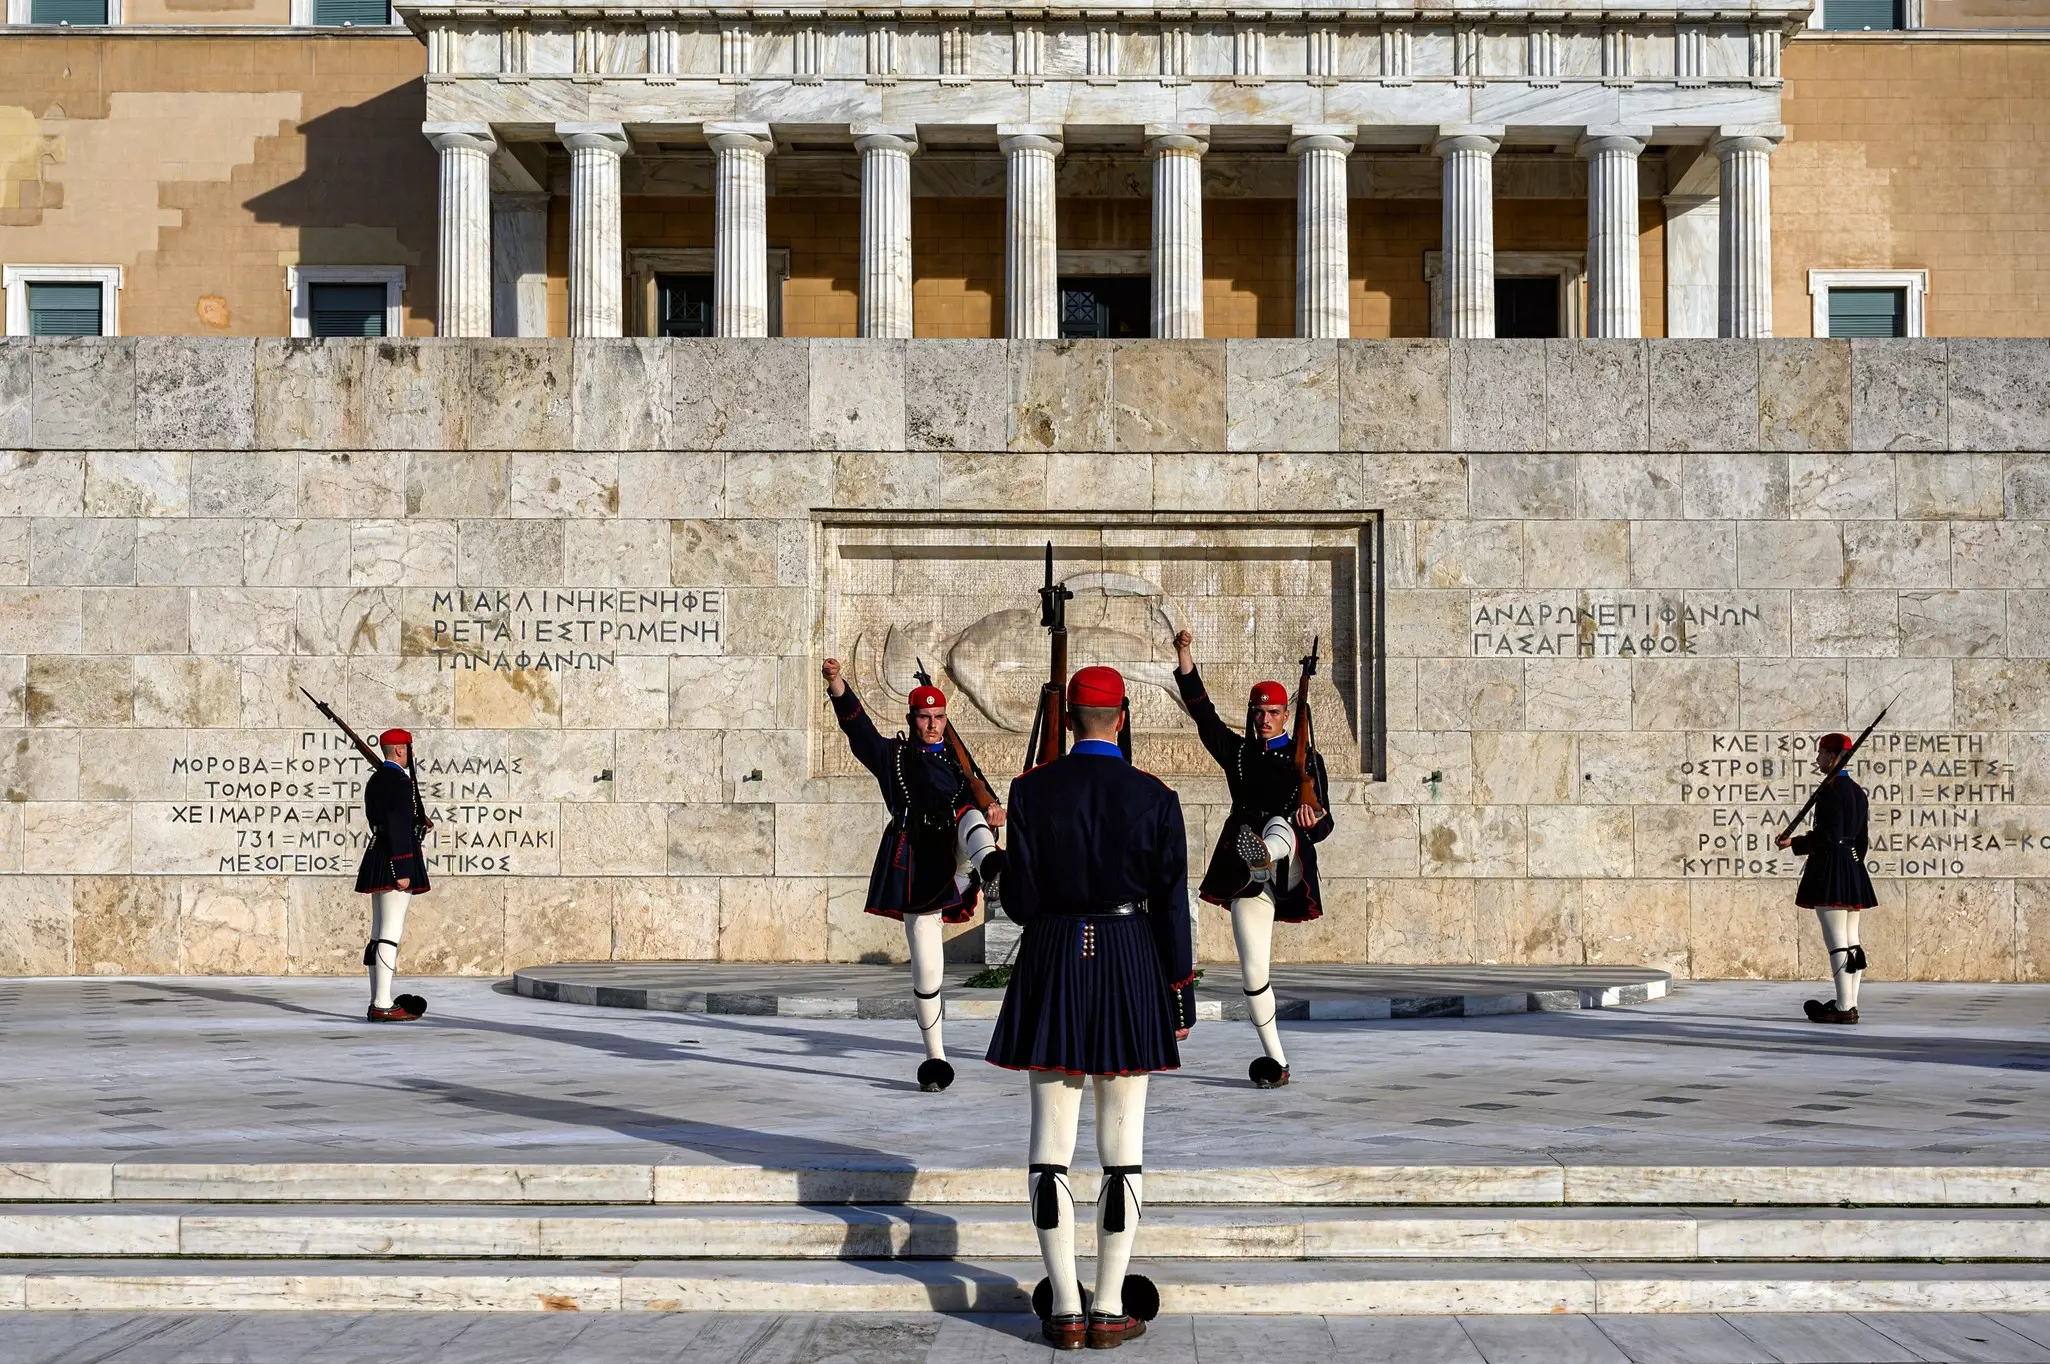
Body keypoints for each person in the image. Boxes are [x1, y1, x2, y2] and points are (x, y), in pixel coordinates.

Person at [986, 665, 1194, 1352]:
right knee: (1121, 1150)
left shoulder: (1029, 791)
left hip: (1053, 955)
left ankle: (1065, 1309)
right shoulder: (1155, 796)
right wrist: (1179, 990)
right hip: (1131, 955)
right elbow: (1171, 903)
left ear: (1069, 720)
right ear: (1123, 717)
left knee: (1049, 1144)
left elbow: (1018, 901)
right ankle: (1109, 1307)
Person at [823, 658, 1005, 1092]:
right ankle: (936, 1059)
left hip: (960, 856)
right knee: (927, 970)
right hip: (919, 867)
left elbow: (979, 799)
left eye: (939, 717)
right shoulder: (893, 757)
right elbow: (858, 731)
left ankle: (995, 867)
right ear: (912, 718)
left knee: (970, 818)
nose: (932, 724)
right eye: (924, 717)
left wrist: (994, 808)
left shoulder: (960, 762)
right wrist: (837, 686)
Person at [1171, 629, 1332, 1088]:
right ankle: (1275, 1061)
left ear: (1286, 715)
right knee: (1253, 971)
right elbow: (1203, 716)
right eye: (1258, 712)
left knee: (1280, 827)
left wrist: (1310, 815)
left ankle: (1269, 849)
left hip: (1288, 864)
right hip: (1248, 873)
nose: (1264, 719)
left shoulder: (1307, 762)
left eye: (1273, 713)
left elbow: (1324, 827)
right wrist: (1186, 657)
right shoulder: (1238, 754)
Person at [1776, 731, 1877, 1025]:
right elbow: (1861, 841)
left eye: (1820, 754)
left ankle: (1844, 1007)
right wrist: (1852, 863)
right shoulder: (1857, 791)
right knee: (1851, 941)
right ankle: (1850, 1002)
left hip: (1831, 869)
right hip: (1852, 868)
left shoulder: (1832, 791)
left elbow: (1828, 837)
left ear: (1832, 757)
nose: (1817, 758)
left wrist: (1794, 844)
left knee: (1838, 943)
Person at [355, 728, 430, 1023]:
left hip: (378, 854)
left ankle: (379, 1000)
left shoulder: (377, 779)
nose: (410, 755)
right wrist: (402, 869)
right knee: (390, 932)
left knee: (379, 933)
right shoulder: (399, 781)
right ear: (400, 750)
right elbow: (398, 825)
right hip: (394, 858)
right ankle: (383, 1002)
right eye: (408, 750)